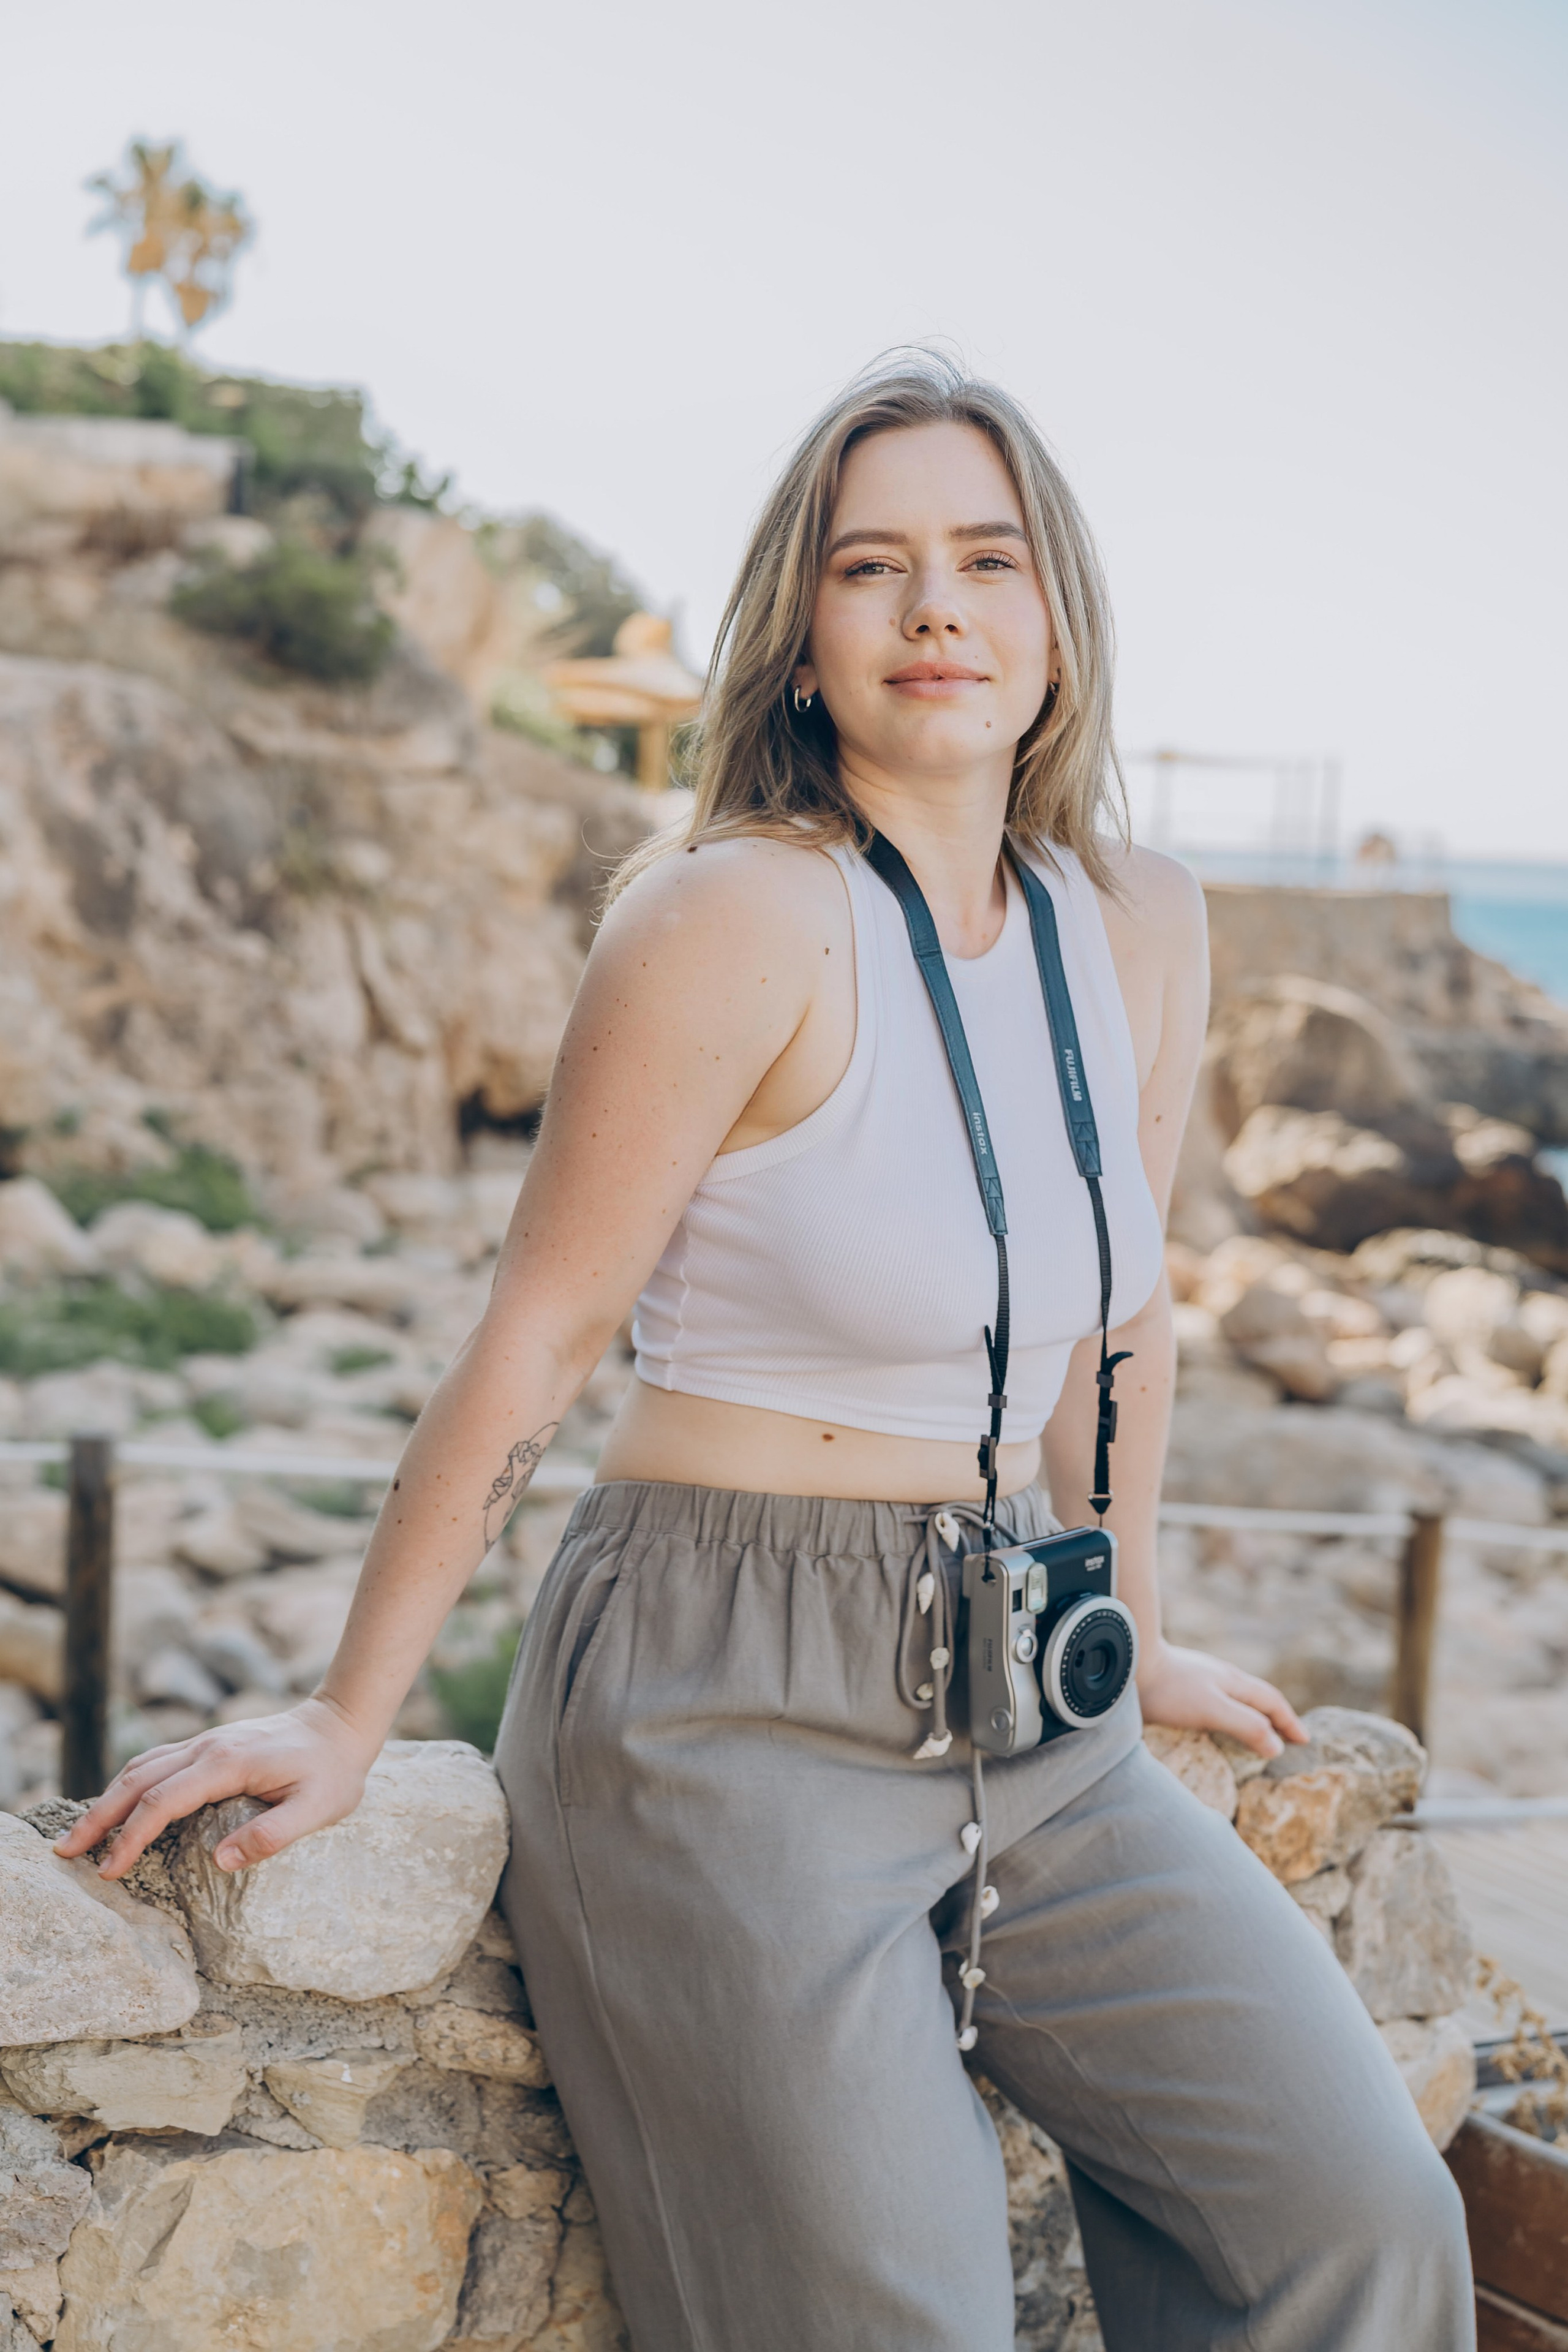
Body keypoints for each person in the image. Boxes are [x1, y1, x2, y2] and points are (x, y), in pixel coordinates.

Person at [63, 355, 1473, 2352]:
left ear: (1057, 617)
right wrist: (349, 1714)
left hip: (1031, 1696)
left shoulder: (1137, 922)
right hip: (725, 1695)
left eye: (987, 560)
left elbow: (1124, 1310)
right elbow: (537, 1339)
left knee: (1357, 2224)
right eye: (872, 568)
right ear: (804, 639)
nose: (936, 611)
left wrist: (1131, 1621)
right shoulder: (732, 919)